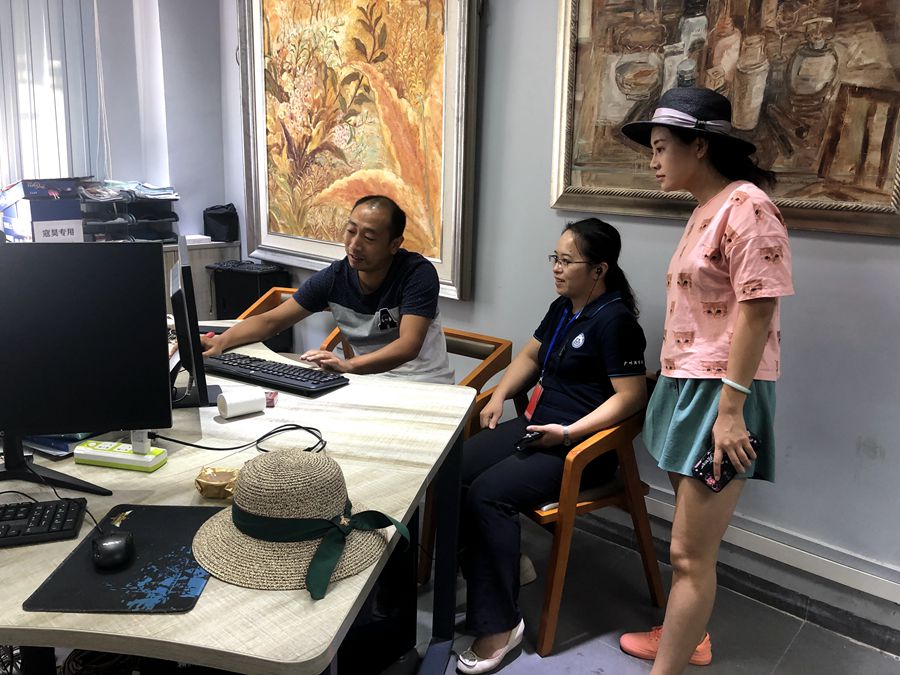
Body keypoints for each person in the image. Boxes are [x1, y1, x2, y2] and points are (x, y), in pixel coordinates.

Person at [617, 87, 794, 673]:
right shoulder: (705, 209)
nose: (653, 160)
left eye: (661, 147)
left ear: (700, 145)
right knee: (686, 543)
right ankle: (688, 638)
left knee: (691, 555)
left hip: (723, 393)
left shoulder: (748, 206)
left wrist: (731, 409)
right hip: (685, 385)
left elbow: (759, 309)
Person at [456, 218, 648, 674]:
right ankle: (502, 575)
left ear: (599, 269)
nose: (557, 269)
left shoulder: (616, 322)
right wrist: (500, 395)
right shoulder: (564, 307)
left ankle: (501, 624)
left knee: (488, 494)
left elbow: (631, 397)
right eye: (555, 259)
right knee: (456, 469)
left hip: (580, 449)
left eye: (567, 261)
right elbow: (530, 355)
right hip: (536, 428)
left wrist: (567, 433)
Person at [201, 195, 454, 384]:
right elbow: (270, 321)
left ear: (394, 244)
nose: (354, 245)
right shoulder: (335, 278)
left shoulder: (416, 274)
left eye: (369, 238)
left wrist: (349, 366)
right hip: (366, 381)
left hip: (424, 382)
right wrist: (221, 342)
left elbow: (408, 345)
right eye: (351, 231)